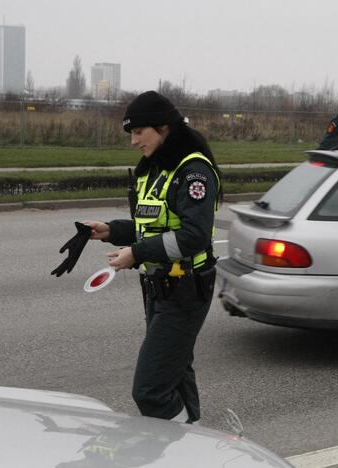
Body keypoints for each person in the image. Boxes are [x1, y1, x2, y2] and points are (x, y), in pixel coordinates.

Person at [84, 91, 222, 424]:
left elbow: (193, 236)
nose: (133, 141)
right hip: (161, 287)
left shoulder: (193, 172)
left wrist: (138, 253)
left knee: (150, 391)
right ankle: (193, 442)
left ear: (163, 128)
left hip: (186, 289)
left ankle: (176, 447)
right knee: (176, 371)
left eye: (138, 132)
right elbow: (152, 226)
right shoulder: (155, 169)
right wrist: (112, 230)